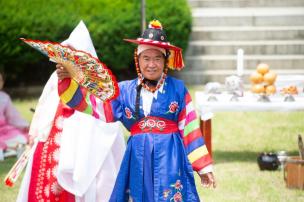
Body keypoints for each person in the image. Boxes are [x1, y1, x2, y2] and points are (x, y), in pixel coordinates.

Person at [56, 19, 216, 201]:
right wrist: (70, 81)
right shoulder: (124, 91)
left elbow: (190, 128)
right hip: (138, 157)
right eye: (146, 58)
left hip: (171, 157)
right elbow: (97, 105)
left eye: (157, 59)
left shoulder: (178, 89)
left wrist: (203, 167)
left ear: (165, 61)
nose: (151, 64)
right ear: (137, 60)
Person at [17, 21, 125, 202]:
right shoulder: (54, 78)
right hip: (52, 136)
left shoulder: (94, 80)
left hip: (83, 139)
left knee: (90, 183)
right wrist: (36, 133)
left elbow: (102, 114)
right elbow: (44, 106)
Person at [0, 71, 29, 161]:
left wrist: (26, 126)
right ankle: (8, 151)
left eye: (0, 80)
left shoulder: (4, 97)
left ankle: (8, 150)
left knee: (21, 139)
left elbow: (13, 117)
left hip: (4, 130)